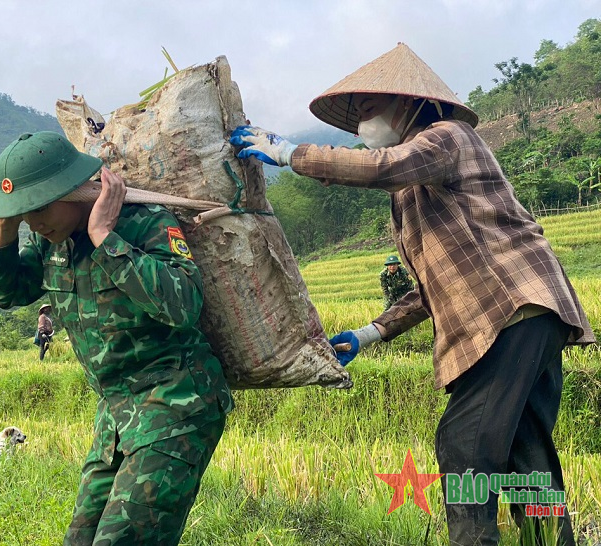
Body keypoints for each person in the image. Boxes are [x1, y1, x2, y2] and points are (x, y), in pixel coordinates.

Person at [230, 43, 594, 546]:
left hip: (511, 307)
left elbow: (383, 166)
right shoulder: (415, 188)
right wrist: (369, 333)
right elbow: (431, 287)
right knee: (524, 452)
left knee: (463, 446)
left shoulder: (446, 137)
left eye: (368, 110)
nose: (361, 126)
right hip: (527, 311)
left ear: (407, 103)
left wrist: (289, 153)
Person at [0, 131, 233, 545]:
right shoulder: (50, 245)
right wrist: (5, 223)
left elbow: (183, 303)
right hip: (115, 418)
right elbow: (6, 291)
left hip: (175, 406)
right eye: (25, 213)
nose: (35, 222)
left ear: (74, 190)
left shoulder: (143, 221)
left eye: (40, 207)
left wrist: (104, 238)